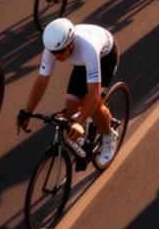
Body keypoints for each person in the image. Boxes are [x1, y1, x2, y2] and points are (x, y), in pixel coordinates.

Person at [18, 18, 122, 167]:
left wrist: (79, 122)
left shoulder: (88, 49)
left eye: (60, 52)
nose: (56, 56)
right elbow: (41, 81)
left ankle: (109, 135)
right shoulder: (53, 48)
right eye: (53, 52)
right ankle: (82, 127)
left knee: (95, 106)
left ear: (71, 43)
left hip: (105, 58)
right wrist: (27, 112)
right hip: (81, 62)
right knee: (71, 105)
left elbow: (94, 93)